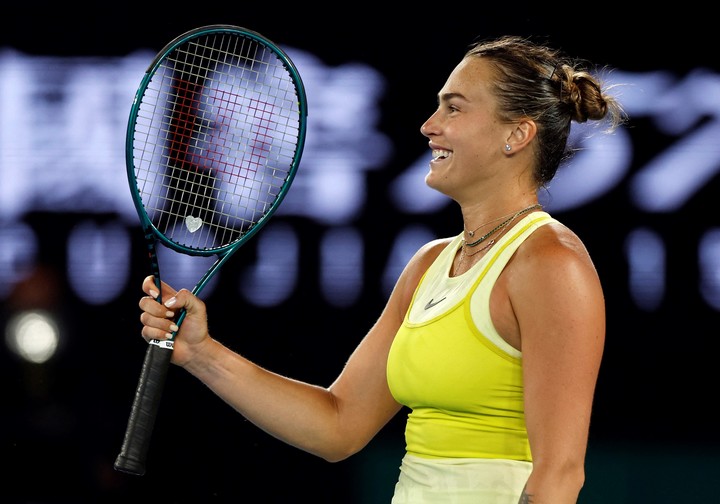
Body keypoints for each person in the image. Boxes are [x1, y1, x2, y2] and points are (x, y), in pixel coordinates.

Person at [136, 34, 625, 503]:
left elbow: (559, 473)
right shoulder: (430, 264)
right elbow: (338, 425)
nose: (429, 125)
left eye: (453, 107)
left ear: (517, 134)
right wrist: (202, 354)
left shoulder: (549, 264)